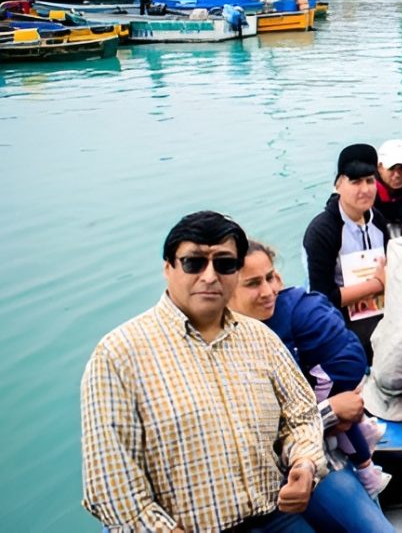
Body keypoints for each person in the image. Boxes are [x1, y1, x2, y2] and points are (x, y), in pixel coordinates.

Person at [81, 211, 325, 532]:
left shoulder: (261, 338)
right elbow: (110, 481)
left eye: (224, 264)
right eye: (194, 263)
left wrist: (304, 465)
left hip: (275, 515)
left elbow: (302, 414)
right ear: (168, 267)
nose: (210, 276)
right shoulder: (118, 355)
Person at [229, 240, 395, 533]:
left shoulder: (285, 327)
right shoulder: (228, 350)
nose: (268, 291)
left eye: (270, 277)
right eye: (253, 283)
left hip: (314, 457)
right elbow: (258, 435)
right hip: (273, 478)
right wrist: (331, 410)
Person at [303, 143, 389, 359]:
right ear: (338, 185)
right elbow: (321, 298)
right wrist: (375, 285)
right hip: (340, 320)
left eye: (370, 181)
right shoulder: (322, 231)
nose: (366, 189)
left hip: (381, 309)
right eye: (356, 181)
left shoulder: (377, 220)